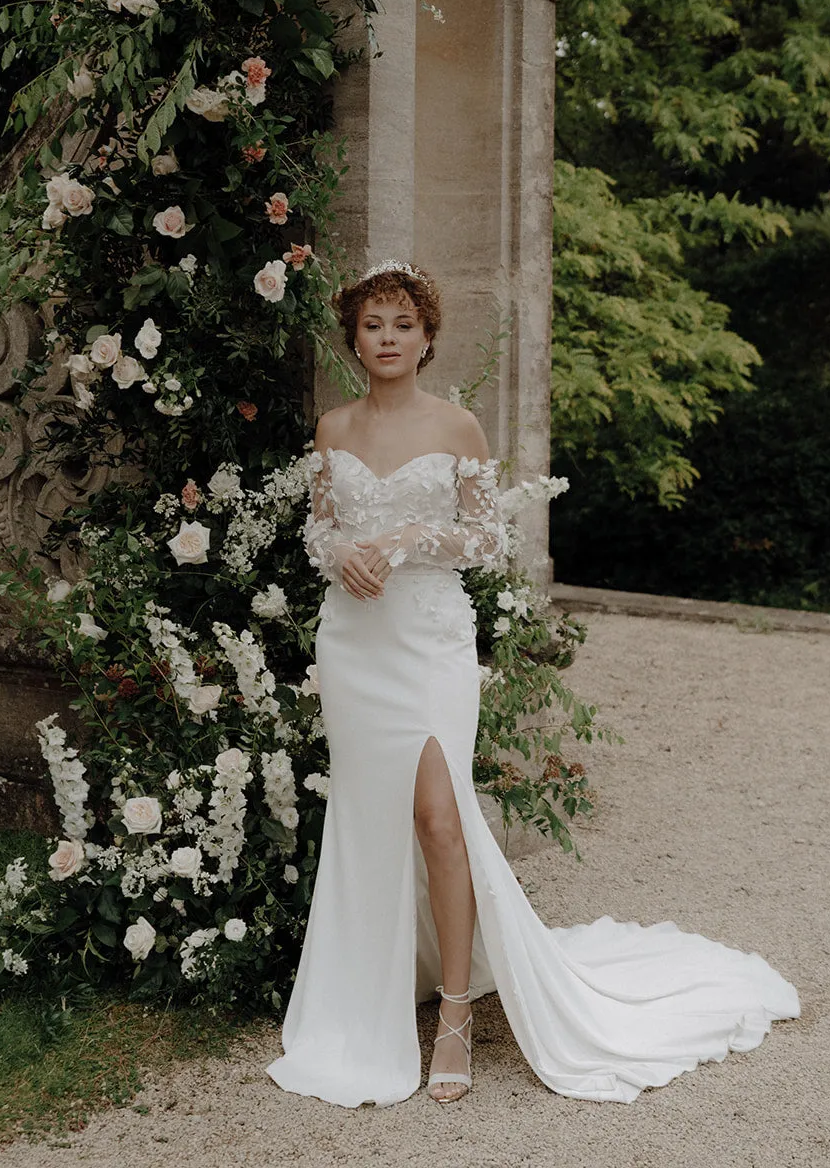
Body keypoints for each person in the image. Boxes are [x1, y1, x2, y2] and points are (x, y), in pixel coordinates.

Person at [266, 261, 799, 1109]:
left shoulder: (458, 425)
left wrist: (404, 534)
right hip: (354, 643)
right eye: (373, 325)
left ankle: (454, 1015)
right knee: (372, 819)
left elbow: (483, 540)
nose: (389, 338)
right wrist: (342, 554)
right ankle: (368, 992)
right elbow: (317, 534)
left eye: (403, 323)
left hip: (429, 642)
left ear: (428, 336)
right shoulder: (334, 428)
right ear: (354, 339)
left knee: (440, 817)